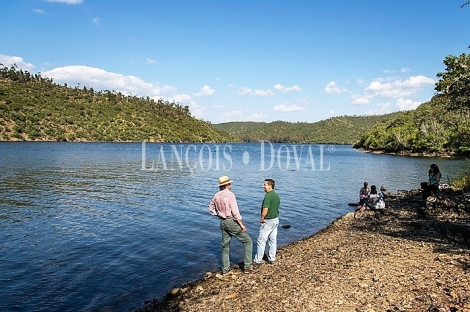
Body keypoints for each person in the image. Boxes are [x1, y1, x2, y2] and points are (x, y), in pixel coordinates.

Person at [208, 175, 257, 274]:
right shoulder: (230, 195)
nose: (231, 185)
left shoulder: (216, 195)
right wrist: (241, 224)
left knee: (225, 246)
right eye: (230, 183)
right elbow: (235, 212)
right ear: (227, 185)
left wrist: (218, 214)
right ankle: (247, 267)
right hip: (231, 221)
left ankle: (225, 269)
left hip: (222, 222)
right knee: (248, 241)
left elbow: (211, 208)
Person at [253, 179, 280, 265]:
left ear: (270, 186)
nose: (263, 186)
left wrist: (262, 218)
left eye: (265, 185)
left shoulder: (268, 196)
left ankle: (258, 260)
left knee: (261, 240)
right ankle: (272, 258)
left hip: (268, 221)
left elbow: (265, 208)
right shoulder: (276, 195)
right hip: (275, 219)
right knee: (272, 240)